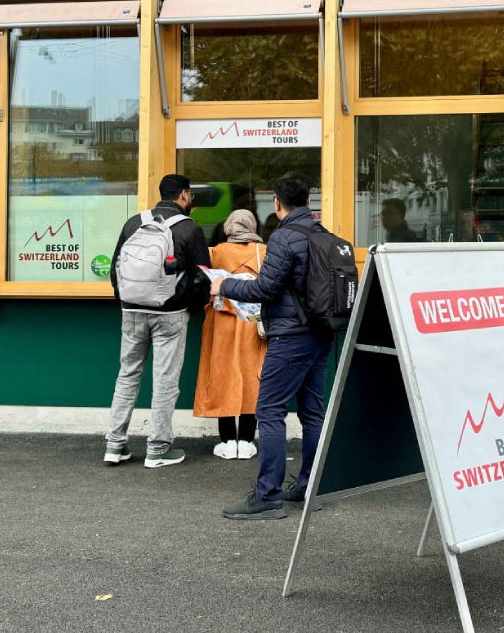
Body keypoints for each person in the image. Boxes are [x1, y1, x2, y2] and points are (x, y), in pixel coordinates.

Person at [210, 173, 334, 521]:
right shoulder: (323, 235)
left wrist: (224, 284)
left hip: (291, 336)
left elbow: (264, 289)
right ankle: (310, 488)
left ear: (277, 205)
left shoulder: (283, 237)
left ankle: (268, 496)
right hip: (322, 334)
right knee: (312, 414)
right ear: (308, 202)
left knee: (269, 411)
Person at [104, 174, 211, 468]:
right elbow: (204, 276)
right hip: (171, 314)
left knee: (127, 375)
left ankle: (115, 445)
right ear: (185, 196)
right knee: (165, 380)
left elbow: (116, 269)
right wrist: (191, 306)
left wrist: (127, 300)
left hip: (131, 312)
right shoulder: (189, 228)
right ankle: (159, 448)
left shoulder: (133, 223)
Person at [193, 210, 267, 460]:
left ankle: (226, 442)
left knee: (223, 375)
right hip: (252, 323)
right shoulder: (264, 251)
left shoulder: (215, 252)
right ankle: (246, 441)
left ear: (228, 227)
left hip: (221, 322)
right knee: (251, 376)